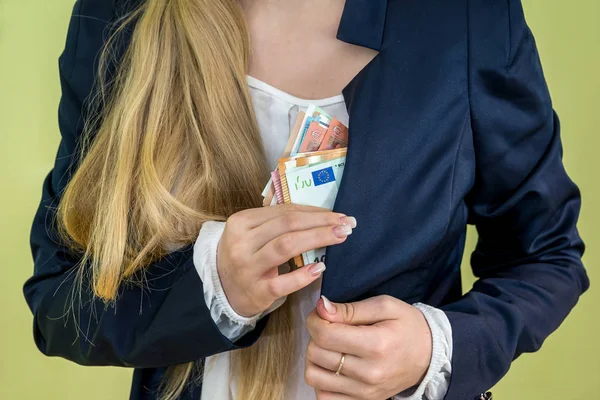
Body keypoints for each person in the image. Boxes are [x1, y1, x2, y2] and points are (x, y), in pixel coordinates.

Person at [23, 0, 589, 399]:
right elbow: (58, 305)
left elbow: (547, 255)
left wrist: (435, 349)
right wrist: (212, 287)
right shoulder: (118, 15)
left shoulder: (468, 17)